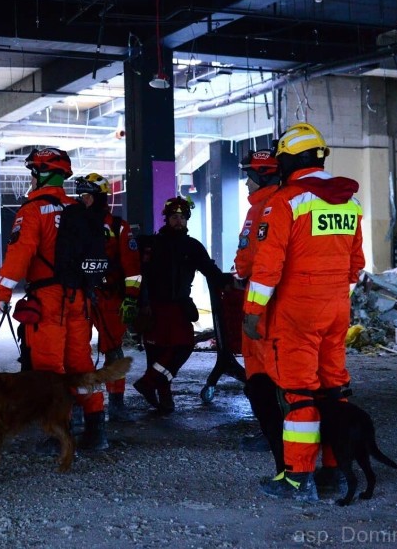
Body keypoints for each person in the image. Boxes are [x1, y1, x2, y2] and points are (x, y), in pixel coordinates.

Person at [243, 122, 365, 501]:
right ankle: (336, 472)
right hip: (336, 310)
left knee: (300, 394)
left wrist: (252, 310)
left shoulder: (287, 201)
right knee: (333, 392)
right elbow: (355, 265)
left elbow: (268, 266)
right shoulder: (350, 201)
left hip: (297, 313)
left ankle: (297, 479)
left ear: (290, 160)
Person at [0, 148, 108, 451]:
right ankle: (97, 429)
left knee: (49, 368)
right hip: (80, 297)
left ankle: (60, 433)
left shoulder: (32, 211)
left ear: (40, 174)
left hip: (48, 299)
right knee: (81, 363)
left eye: (33, 172)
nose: (31, 178)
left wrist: (3, 290)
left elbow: (21, 253)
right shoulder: (78, 209)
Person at [132, 196, 230, 414]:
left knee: (182, 346)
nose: (178, 221)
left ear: (187, 220)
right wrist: (140, 303)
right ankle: (164, 399)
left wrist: (229, 281)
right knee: (157, 354)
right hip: (153, 307)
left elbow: (210, 270)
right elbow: (139, 275)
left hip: (178, 307)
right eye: (174, 217)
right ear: (167, 219)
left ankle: (149, 383)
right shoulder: (151, 244)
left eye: (182, 218)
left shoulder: (192, 246)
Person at [75, 173, 142, 422]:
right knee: (77, 351)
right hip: (80, 296)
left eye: (87, 196)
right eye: (81, 196)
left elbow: (133, 268)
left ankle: (116, 403)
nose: (83, 201)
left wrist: (131, 298)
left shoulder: (118, 227)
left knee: (113, 350)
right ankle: (80, 403)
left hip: (110, 298)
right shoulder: (74, 224)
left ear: (99, 197)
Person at [232, 150, 284, 473]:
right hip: (264, 299)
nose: (246, 182)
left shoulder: (263, 209)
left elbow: (250, 259)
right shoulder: (272, 204)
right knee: (261, 374)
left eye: (250, 175)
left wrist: (240, 272)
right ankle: (269, 433)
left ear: (263, 176)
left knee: (264, 376)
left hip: (261, 303)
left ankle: (275, 438)